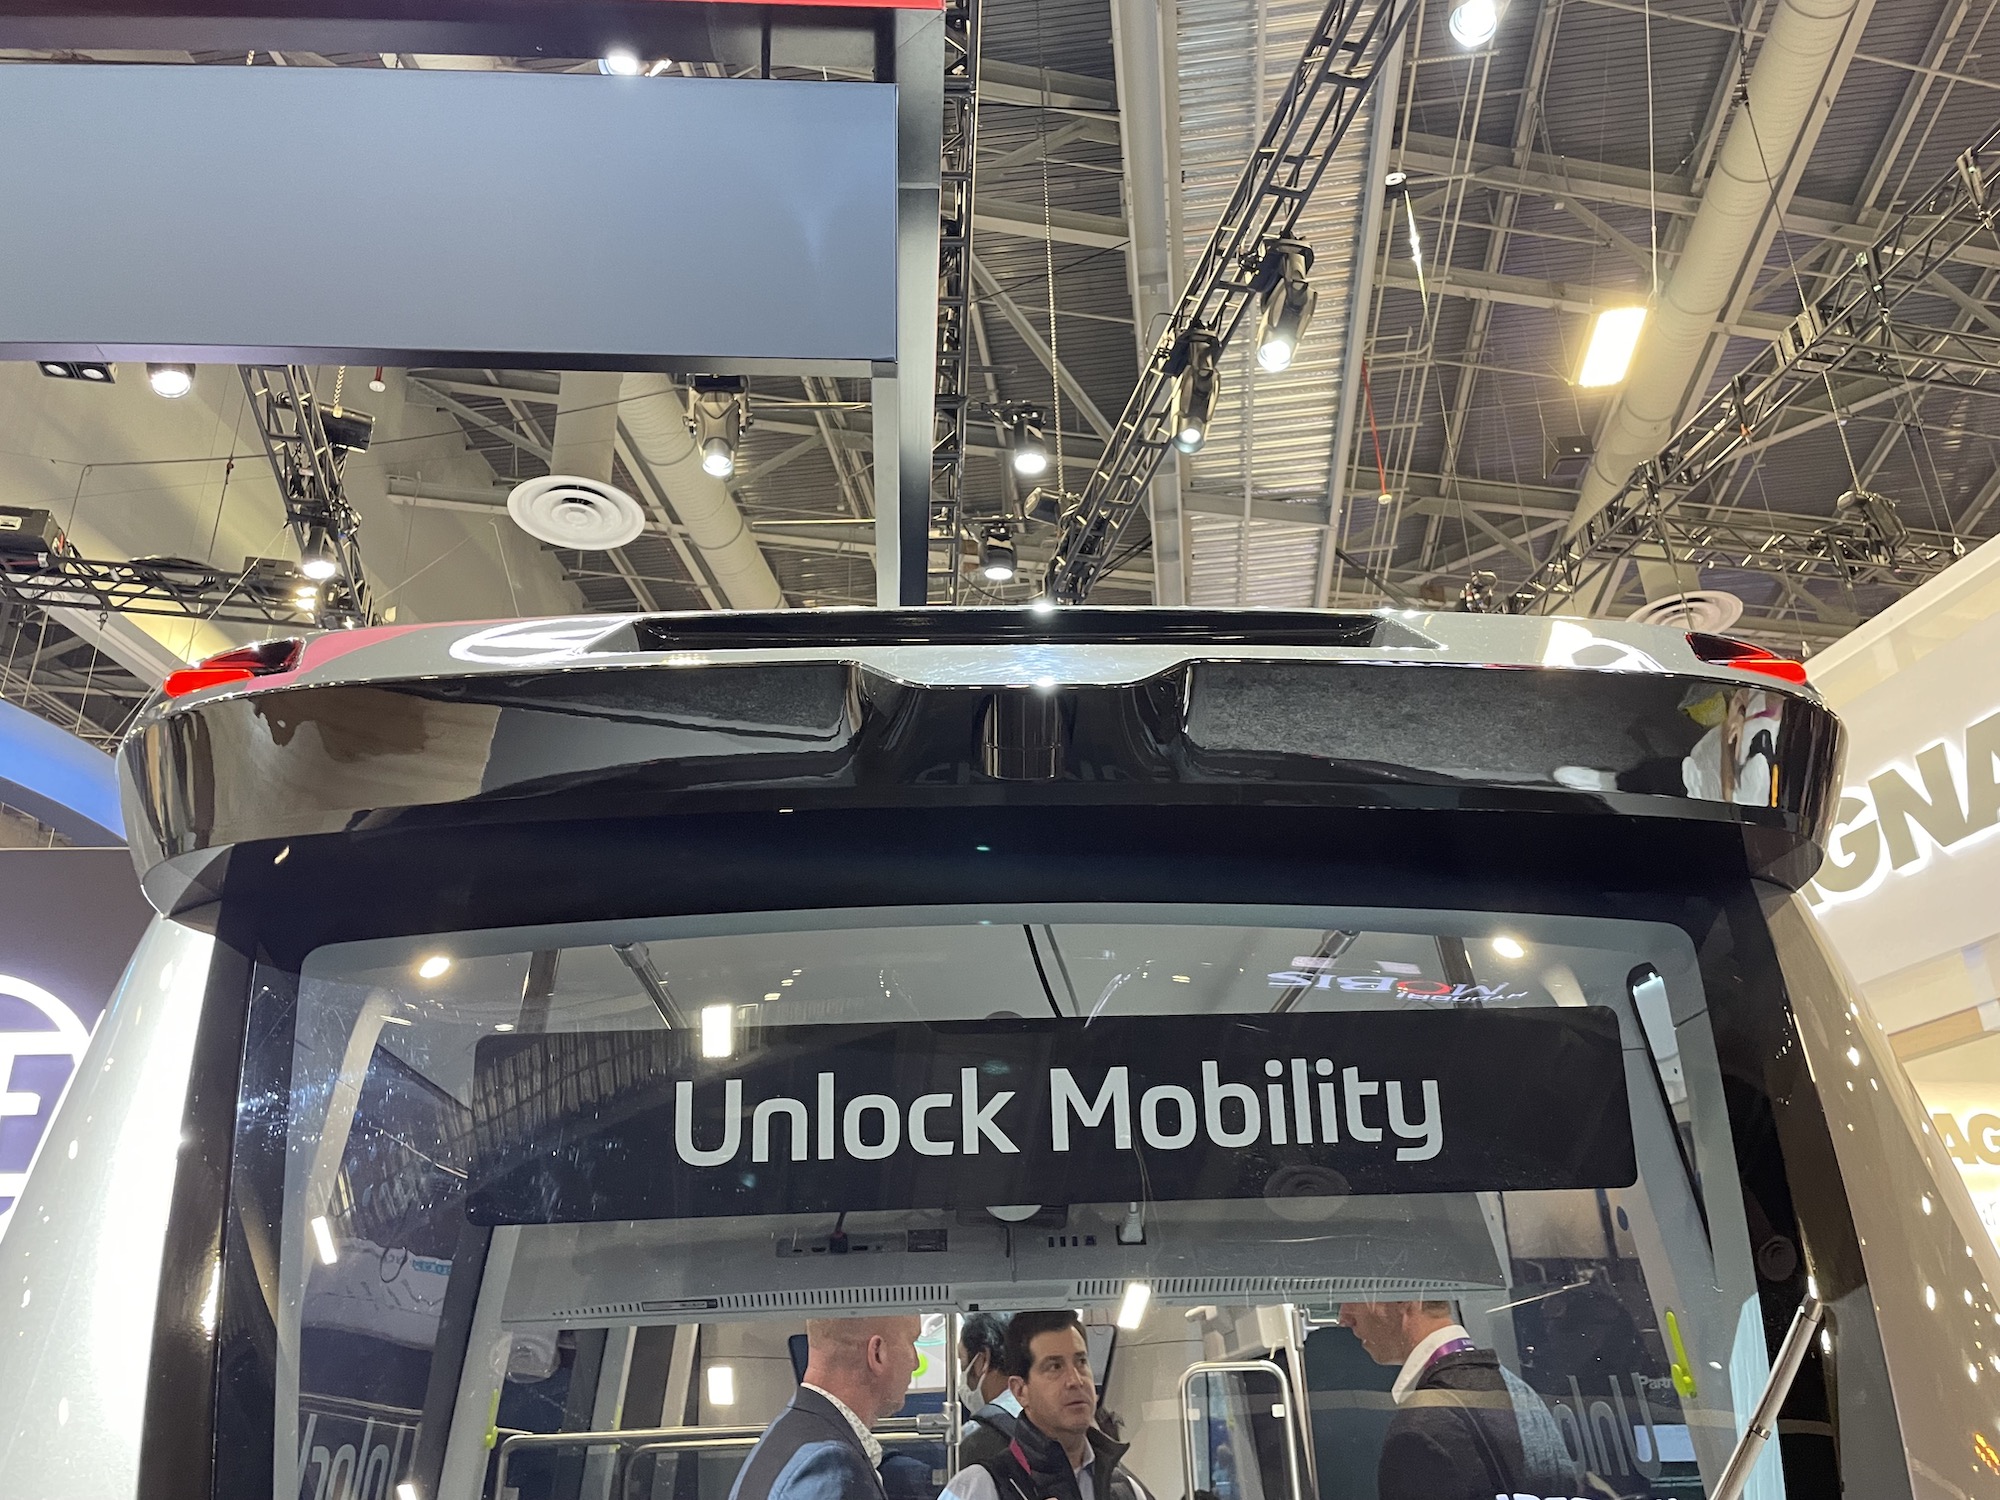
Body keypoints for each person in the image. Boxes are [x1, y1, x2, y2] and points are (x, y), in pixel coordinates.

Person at [1336, 1298, 1572, 1500]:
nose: (1343, 1318)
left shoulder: (1421, 1429)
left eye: (1355, 1294)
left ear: (1404, 1298)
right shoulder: (1524, 1395)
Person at [941, 1310, 1151, 1500]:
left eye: (1081, 1362)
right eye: (1055, 1366)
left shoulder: (1126, 1491)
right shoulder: (977, 1488)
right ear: (1020, 1390)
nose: (1075, 1380)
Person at [730, 1315, 924, 1500]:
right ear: (877, 1353)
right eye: (911, 1342)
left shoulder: (782, 1436)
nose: (915, 1363)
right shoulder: (830, 1464)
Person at [957, 1312, 1020, 1466]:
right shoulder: (1043, 1412)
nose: (962, 1376)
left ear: (982, 1360)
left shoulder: (976, 1436)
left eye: (962, 1362)